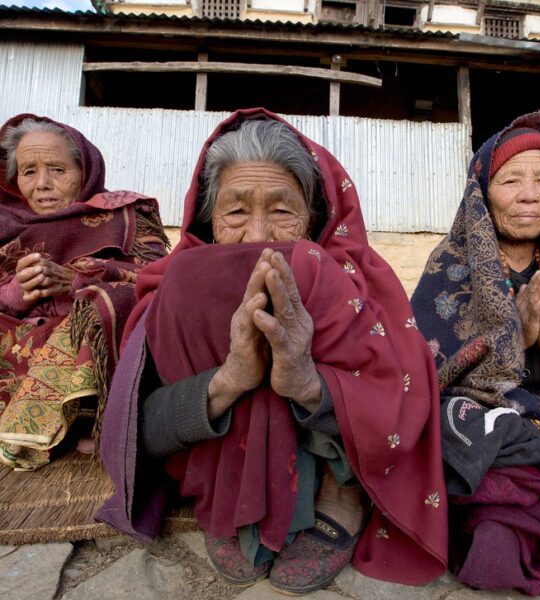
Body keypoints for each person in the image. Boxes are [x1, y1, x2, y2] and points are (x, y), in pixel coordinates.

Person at [97, 108, 448, 594]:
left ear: (314, 218)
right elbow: (141, 433)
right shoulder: (175, 290)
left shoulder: (358, 285)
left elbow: (401, 408)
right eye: (236, 212)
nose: (258, 234)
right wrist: (227, 380)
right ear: (208, 220)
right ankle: (228, 488)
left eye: (282, 211)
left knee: (318, 283)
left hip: (333, 460)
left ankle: (339, 488)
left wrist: (308, 383)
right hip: (215, 461)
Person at [411, 111, 540, 597]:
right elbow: (430, 368)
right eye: (511, 180)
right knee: (457, 421)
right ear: (481, 193)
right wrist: (509, 336)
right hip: (485, 409)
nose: (529, 195)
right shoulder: (449, 266)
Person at [0, 114, 169, 471]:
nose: (42, 184)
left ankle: (89, 415)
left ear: (85, 170)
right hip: (19, 332)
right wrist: (17, 293)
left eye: (57, 170)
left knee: (111, 307)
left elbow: (158, 278)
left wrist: (77, 283)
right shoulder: (5, 223)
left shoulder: (125, 213)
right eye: (29, 171)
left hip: (83, 332)